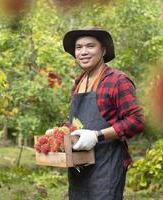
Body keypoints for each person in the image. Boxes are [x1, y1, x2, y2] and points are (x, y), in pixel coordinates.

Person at [51, 27, 145, 199]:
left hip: (107, 165)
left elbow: (137, 121)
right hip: (79, 165)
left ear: (103, 50)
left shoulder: (118, 81)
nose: (83, 52)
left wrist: (97, 136)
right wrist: (60, 133)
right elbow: (77, 123)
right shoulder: (79, 82)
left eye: (90, 46)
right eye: (79, 47)